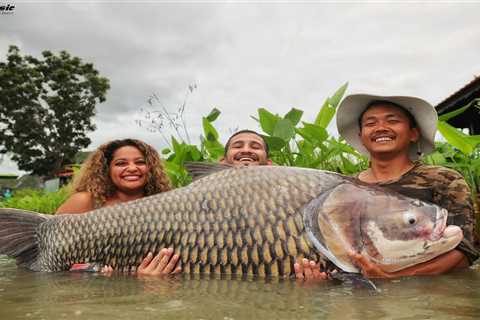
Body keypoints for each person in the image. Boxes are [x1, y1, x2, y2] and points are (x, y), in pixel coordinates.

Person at [296, 94, 479, 280]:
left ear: (413, 133)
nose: (381, 128)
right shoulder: (341, 190)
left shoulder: (443, 179)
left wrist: (393, 278)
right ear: (361, 136)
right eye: (370, 123)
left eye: (392, 120)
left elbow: (465, 251)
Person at [57, 138, 181, 276]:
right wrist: (93, 271)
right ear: (107, 169)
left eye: (140, 162)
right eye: (121, 163)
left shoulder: (167, 205)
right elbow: (52, 256)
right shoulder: (85, 201)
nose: (133, 168)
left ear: (151, 168)